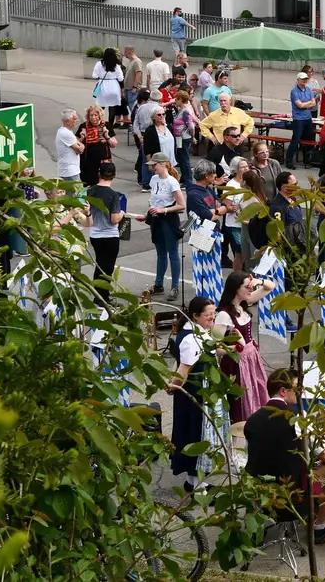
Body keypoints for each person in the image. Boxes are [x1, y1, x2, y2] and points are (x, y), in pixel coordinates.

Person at [243, 369, 325, 541]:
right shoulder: (296, 421)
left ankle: (256, 525)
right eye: (297, 388)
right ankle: (320, 525)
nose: (300, 393)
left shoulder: (251, 421)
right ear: (283, 391)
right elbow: (324, 454)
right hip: (293, 496)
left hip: (261, 493)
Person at [167, 296, 224, 491]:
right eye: (208, 315)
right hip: (195, 393)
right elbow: (184, 369)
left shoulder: (200, 332)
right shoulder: (191, 339)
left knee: (201, 434)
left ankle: (194, 481)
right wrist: (172, 387)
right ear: (195, 316)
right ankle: (197, 486)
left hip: (204, 389)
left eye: (213, 314)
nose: (212, 318)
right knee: (196, 434)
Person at [214, 269, 276, 422]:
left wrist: (258, 282)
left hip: (251, 359)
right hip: (236, 363)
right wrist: (237, 347)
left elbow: (270, 286)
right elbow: (216, 348)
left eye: (251, 287)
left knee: (257, 395)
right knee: (241, 402)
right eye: (247, 287)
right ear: (236, 288)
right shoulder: (224, 315)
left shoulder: (244, 302)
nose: (251, 290)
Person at [143, 153, 185, 296]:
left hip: (169, 219)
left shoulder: (172, 182)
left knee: (173, 253)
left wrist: (163, 210)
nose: (152, 168)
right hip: (156, 219)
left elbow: (181, 205)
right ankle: (158, 284)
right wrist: (147, 215)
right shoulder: (154, 179)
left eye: (154, 165)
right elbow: (153, 201)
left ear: (163, 165)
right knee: (160, 253)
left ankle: (175, 286)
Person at [86, 162, 127, 281]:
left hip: (95, 234)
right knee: (108, 268)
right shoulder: (113, 195)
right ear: (114, 175)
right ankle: (103, 295)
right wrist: (122, 212)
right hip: (110, 235)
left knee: (99, 264)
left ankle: (98, 294)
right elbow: (114, 219)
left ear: (99, 174)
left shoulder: (90, 191)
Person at [284, 72, 317, 169]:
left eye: (306, 79)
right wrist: (308, 103)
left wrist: (306, 104)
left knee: (308, 139)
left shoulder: (308, 89)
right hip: (298, 118)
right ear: (298, 80)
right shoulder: (294, 91)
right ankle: (289, 161)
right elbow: (300, 105)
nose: (305, 81)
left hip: (308, 117)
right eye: (303, 79)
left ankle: (307, 159)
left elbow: (313, 103)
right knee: (296, 139)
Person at [78, 104, 117, 187]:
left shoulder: (106, 125)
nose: (93, 117)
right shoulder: (83, 126)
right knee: (88, 185)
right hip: (87, 162)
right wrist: (82, 138)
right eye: (91, 115)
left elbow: (114, 144)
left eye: (95, 115)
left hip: (103, 162)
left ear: (100, 115)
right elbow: (77, 145)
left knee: (103, 184)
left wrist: (107, 136)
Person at [92, 47, 128, 129]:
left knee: (100, 107)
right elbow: (121, 78)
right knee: (112, 108)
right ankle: (110, 126)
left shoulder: (99, 64)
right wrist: (122, 89)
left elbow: (94, 75)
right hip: (114, 86)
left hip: (103, 86)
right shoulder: (116, 65)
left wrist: (100, 76)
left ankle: (97, 124)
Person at [55, 108, 84, 182]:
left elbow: (75, 145)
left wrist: (81, 139)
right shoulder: (66, 133)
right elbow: (80, 150)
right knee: (74, 193)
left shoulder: (64, 131)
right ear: (68, 122)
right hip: (70, 171)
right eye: (74, 119)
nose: (77, 121)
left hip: (68, 170)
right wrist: (82, 145)